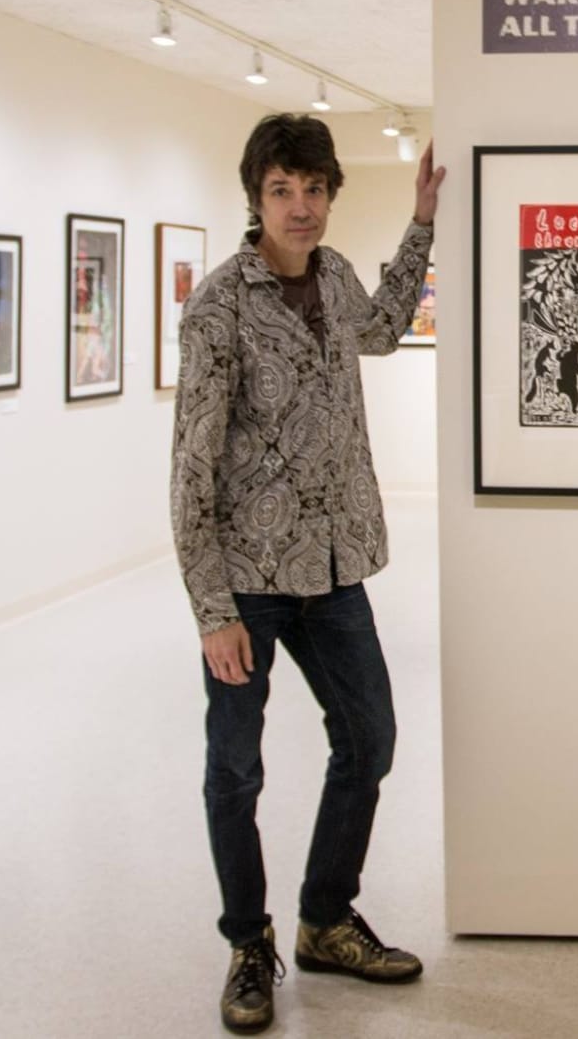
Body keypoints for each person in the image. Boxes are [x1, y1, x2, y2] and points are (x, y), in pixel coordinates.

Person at [170, 113, 443, 1034]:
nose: (301, 206)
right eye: (283, 189)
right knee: (234, 770)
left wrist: (423, 221)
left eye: (315, 189)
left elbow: (383, 332)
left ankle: (326, 918)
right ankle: (250, 941)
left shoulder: (333, 275)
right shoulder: (216, 308)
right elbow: (190, 471)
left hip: (332, 568)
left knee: (369, 741)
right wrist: (213, 609)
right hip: (247, 576)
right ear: (256, 196)